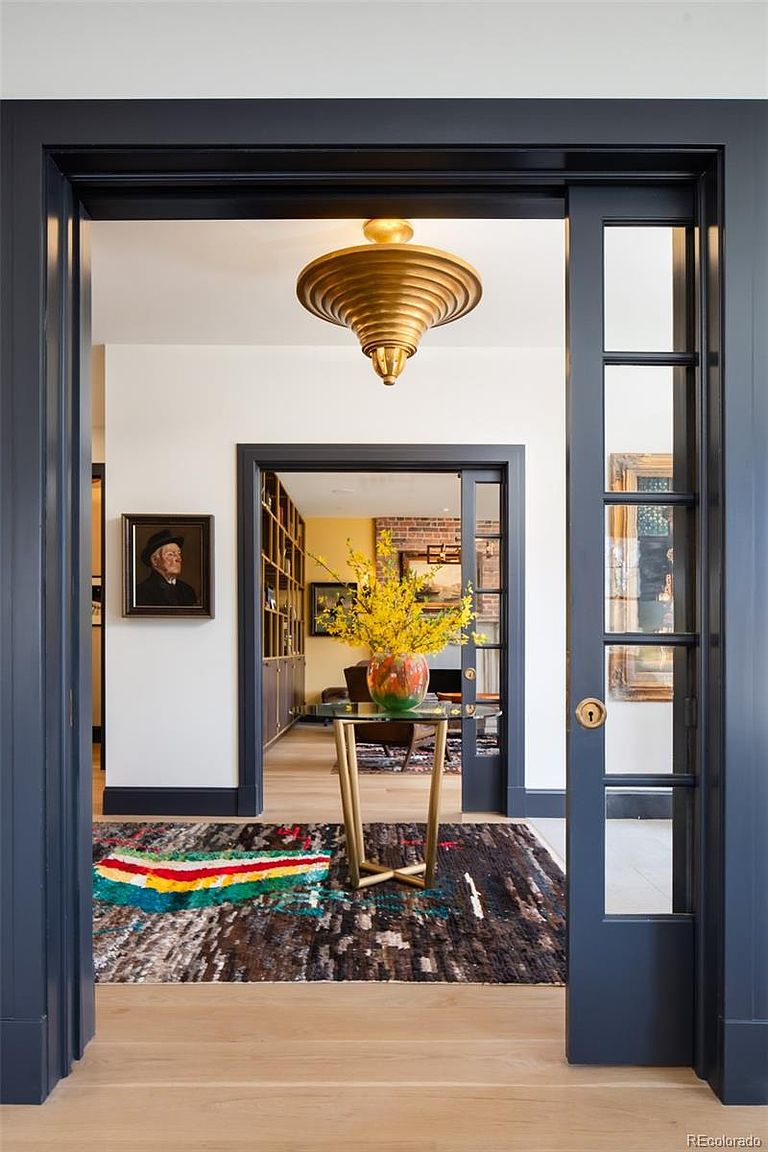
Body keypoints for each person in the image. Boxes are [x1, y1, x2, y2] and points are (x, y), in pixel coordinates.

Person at [135, 528, 198, 607]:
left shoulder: (188, 590)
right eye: (170, 554)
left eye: (179, 554)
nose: (178, 559)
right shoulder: (141, 592)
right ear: (155, 560)